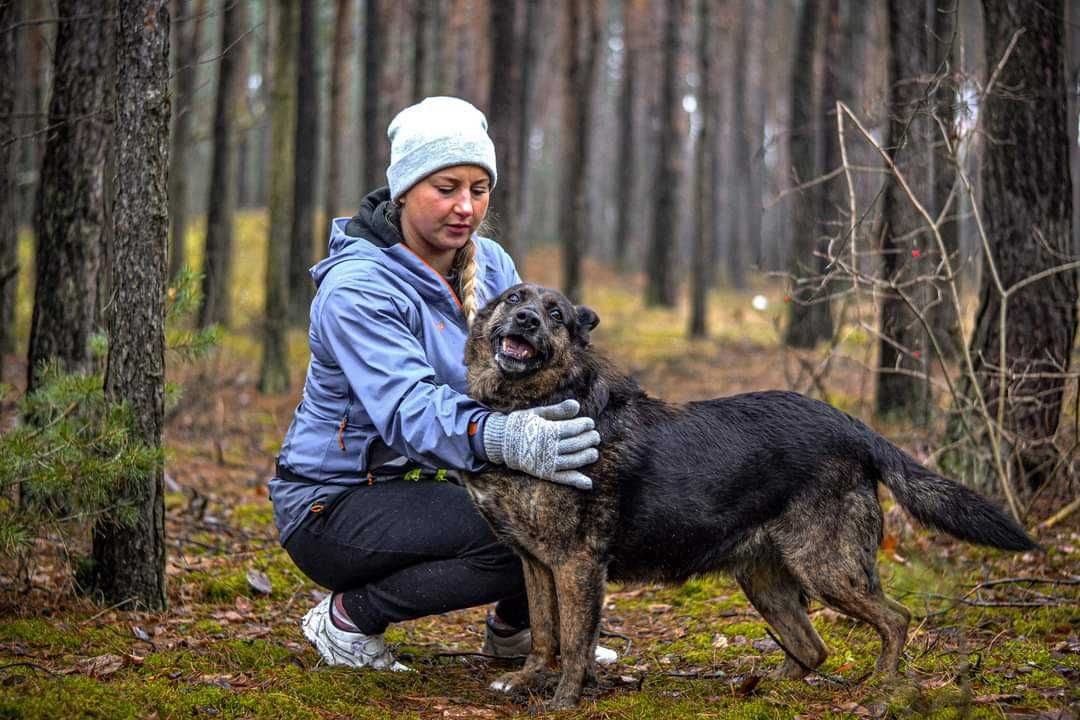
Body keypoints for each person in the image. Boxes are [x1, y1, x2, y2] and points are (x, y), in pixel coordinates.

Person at [270, 97, 612, 672]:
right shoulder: (357, 288)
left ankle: (518, 631)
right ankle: (349, 618)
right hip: (334, 505)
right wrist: (504, 438)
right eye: (447, 187)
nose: (465, 207)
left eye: (479, 190)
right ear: (404, 189)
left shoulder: (493, 263)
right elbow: (409, 411)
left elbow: (533, 370)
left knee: (573, 509)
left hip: (441, 478)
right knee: (516, 531)